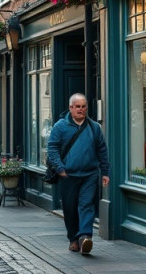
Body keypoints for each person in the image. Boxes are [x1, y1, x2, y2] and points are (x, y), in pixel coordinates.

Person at [46, 93, 109, 255]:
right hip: (68, 175)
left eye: (83, 106)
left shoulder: (94, 127)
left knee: (87, 205)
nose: (80, 110)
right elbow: (52, 148)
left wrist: (105, 172)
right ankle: (73, 239)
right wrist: (60, 169)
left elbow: (102, 150)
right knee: (70, 208)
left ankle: (85, 237)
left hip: (90, 174)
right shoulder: (60, 126)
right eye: (77, 107)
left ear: (86, 108)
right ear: (71, 108)